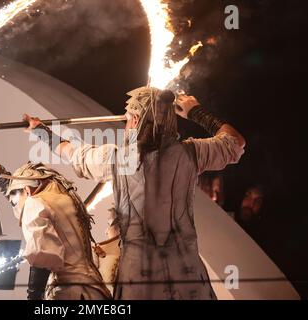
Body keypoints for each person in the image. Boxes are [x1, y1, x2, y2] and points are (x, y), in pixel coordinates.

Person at [23, 86, 245, 300]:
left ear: (136, 120)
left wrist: (41, 130)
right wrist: (196, 112)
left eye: (129, 117)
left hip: (138, 277)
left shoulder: (117, 159)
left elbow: (72, 153)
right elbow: (235, 142)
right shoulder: (192, 153)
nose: (127, 123)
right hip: (187, 274)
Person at [0, 160, 111, 300]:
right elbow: (21, 198)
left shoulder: (34, 202)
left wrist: (33, 297)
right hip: (97, 292)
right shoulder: (69, 201)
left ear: (27, 191)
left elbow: (42, 255)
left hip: (68, 293)